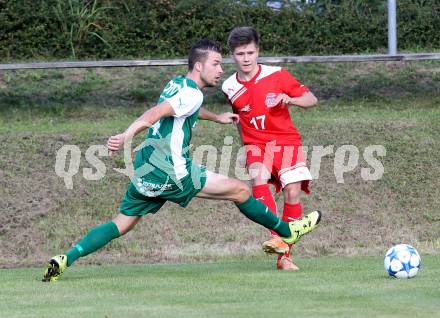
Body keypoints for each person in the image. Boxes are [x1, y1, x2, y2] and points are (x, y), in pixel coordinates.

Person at [43, 39, 321, 282]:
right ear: (199, 66)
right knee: (241, 191)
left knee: (121, 224)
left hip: (146, 170)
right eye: (215, 63)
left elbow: (186, 110)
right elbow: (156, 112)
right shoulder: (192, 92)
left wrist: (217, 117)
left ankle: (66, 258)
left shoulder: (177, 84)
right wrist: (125, 135)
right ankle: (287, 232)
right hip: (172, 171)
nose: (221, 69)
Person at [222, 27, 318, 271]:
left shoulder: (278, 75)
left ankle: (283, 255)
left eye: (250, 53)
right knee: (258, 176)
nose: (246, 58)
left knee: (293, 193)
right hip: (256, 143)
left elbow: (311, 99)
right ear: (232, 55)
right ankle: (277, 236)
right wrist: (245, 146)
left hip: (286, 141)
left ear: (258, 52)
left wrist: (290, 99)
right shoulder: (229, 86)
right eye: (240, 53)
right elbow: (240, 120)